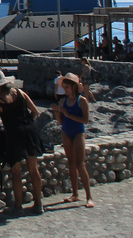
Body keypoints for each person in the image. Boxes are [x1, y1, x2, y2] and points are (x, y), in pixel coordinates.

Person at [0, 70, 44, 215]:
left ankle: (19, 206)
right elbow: (34, 111)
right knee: (34, 170)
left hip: (14, 135)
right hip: (30, 132)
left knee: (16, 172)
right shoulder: (20, 93)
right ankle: (39, 204)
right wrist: (28, 123)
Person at [50, 72, 95, 208]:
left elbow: (85, 120)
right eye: (64, 86)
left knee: (80, 164)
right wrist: (58, 111)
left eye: (67, 86)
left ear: (74, 87)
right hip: (66, 131)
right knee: (71, 164)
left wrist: (67, 113)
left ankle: (89, 197)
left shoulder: (82, 101)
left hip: (78, 132)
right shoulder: (63, 101)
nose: (65, 89)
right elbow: (60, 122)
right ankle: (75, 194)